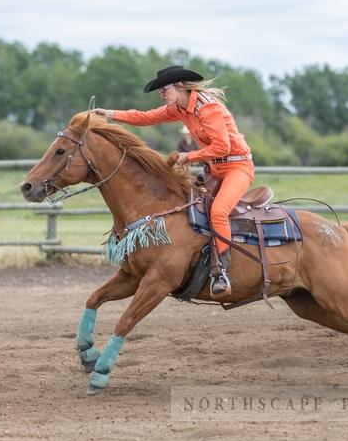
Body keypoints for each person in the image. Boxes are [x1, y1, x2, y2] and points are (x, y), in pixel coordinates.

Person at [93, 65, 254, 296]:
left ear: (179, 85)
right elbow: (145, 117)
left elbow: (222, 146)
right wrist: (110, 114)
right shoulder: (180, 108)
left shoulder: (208, 108)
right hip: (214, 169)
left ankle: (221, 271)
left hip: (237, 167)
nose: (161, 93)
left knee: (218, 212)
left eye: (163, 89)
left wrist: (188, 156)